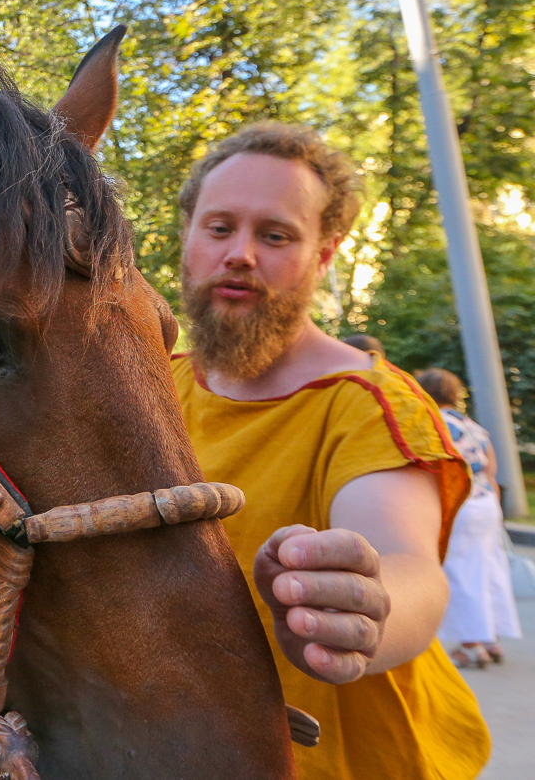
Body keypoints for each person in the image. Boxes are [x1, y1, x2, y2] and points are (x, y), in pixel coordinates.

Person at [171, 123, 490, 780]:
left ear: (324, 254)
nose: (241, 254)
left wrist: (360, 606)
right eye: (220, 227)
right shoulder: (150, 381)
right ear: (188, 237)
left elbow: (410, 566)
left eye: (276, 234)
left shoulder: (369, 402)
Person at [414, 367, 522, 667]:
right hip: (486, 504)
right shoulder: (473, 426)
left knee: (460, 573)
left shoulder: (432, 423)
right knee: (488, 570)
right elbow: (491, 472)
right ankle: (491, 639)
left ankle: (471, 645)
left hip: (459, 505)